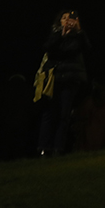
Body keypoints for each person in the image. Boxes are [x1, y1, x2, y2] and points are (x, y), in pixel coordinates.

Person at [37, 9, 91, 157]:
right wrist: (62, 35)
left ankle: (58, 148)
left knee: (64, 114)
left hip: (70, 79)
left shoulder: (78, 36)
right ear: (59, 21)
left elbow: (86, 49)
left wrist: (78, 30)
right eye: (64, 18)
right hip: (53, 79)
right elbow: (48, 49)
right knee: (48, 113)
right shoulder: (55, 34)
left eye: (71, 18)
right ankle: (43, 148)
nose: (68, 21)